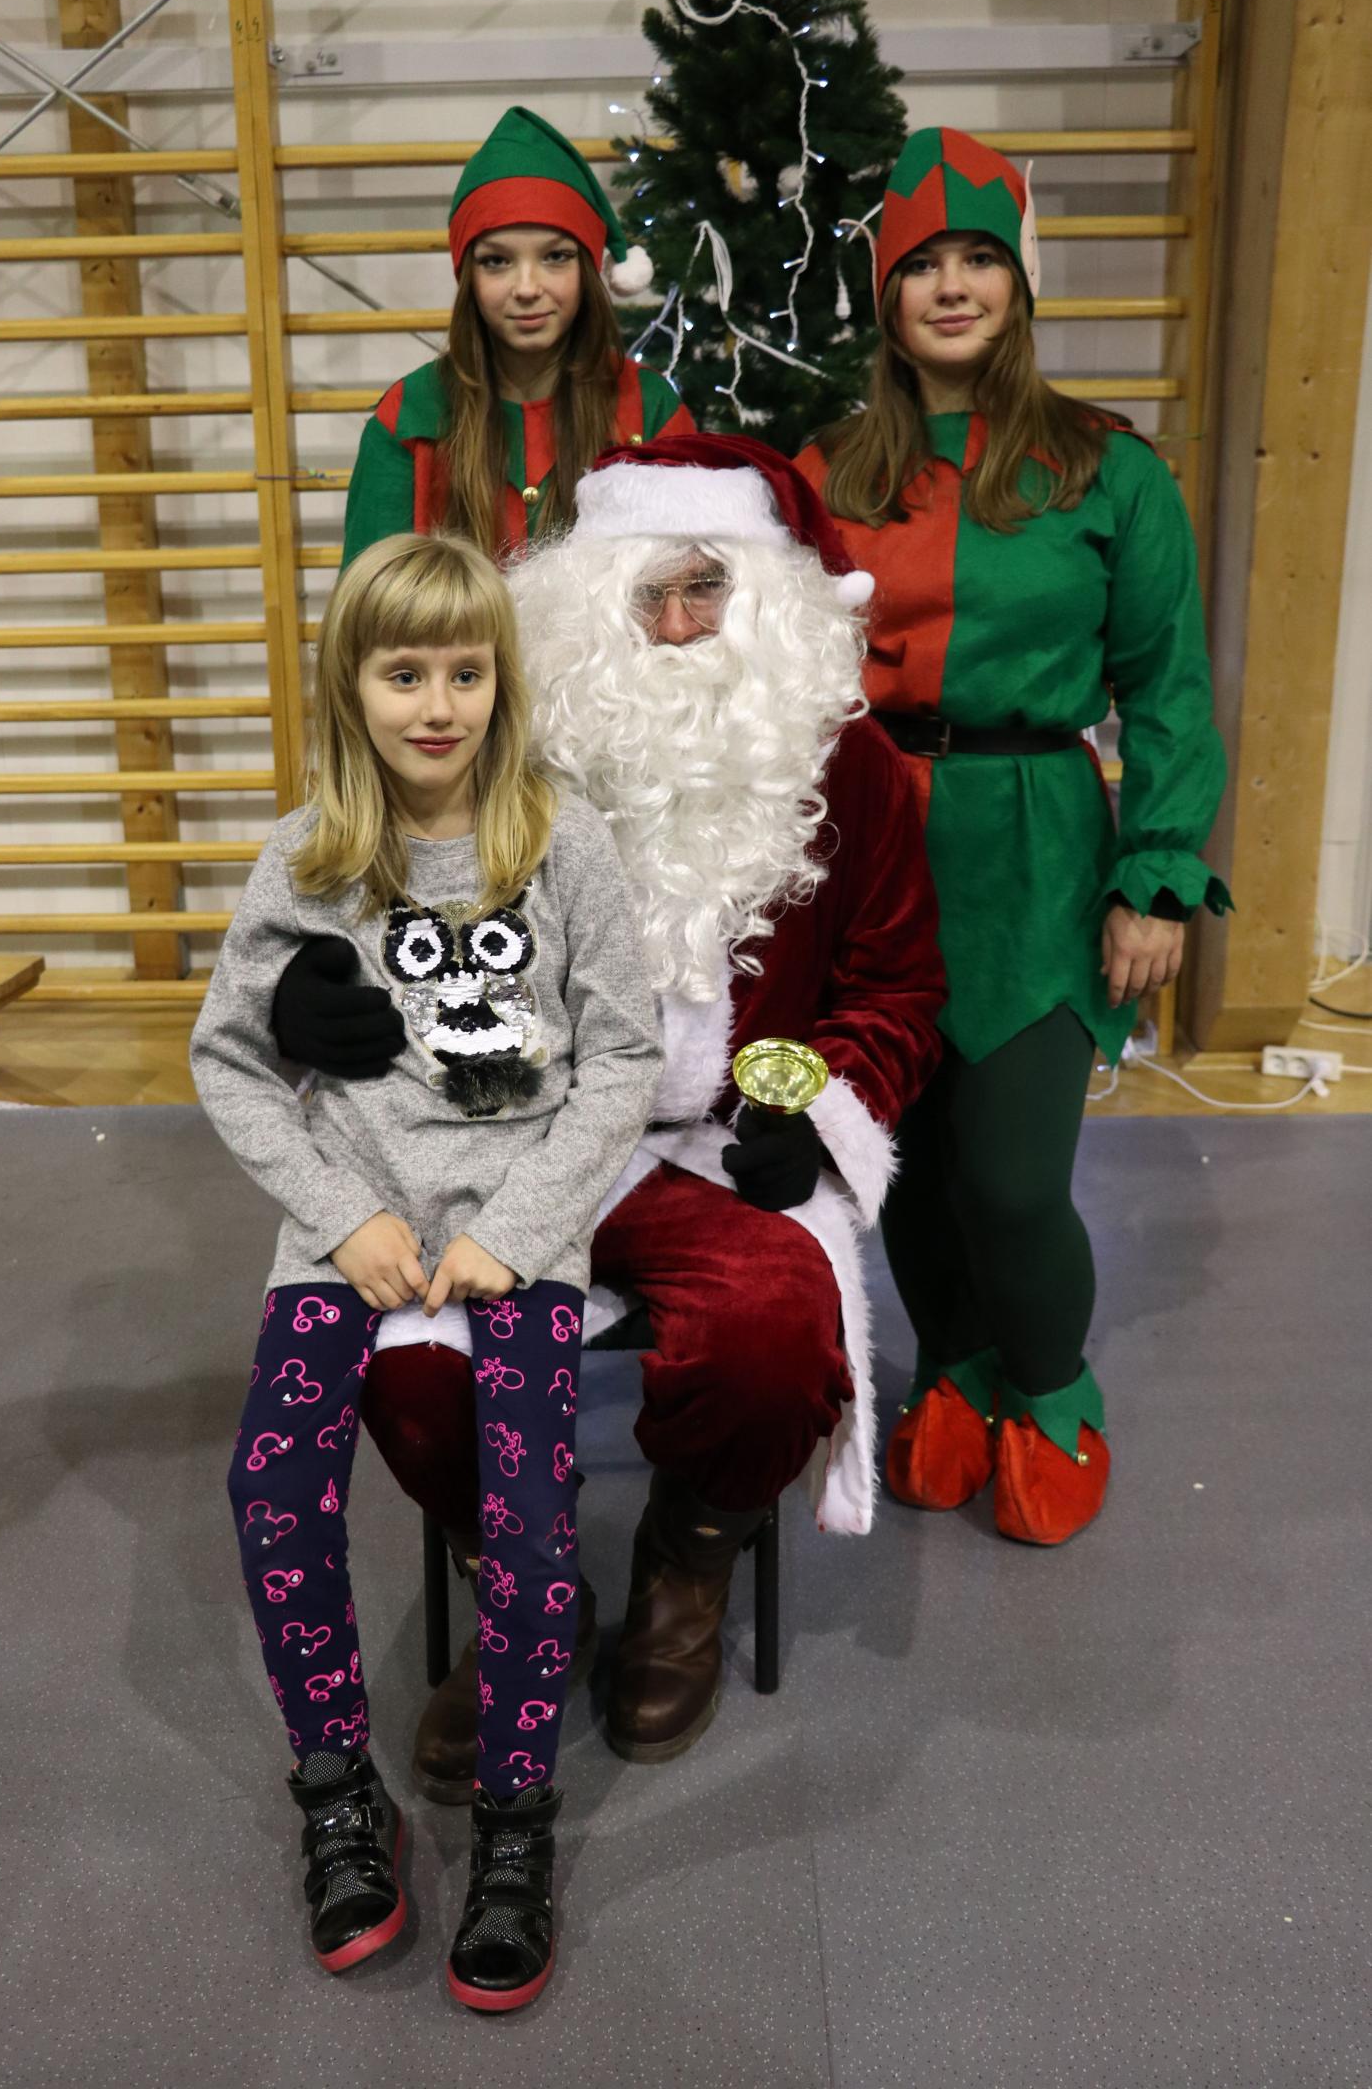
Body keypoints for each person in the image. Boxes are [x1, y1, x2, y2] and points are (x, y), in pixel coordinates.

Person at [271, 435, 945, 1793]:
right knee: (407, 1362)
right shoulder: (501, 756)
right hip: (502, 1134)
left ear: (768, 601)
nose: (680, 626)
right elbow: (371, 915)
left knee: (769, 1334)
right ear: (594, 606)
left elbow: (895, 987)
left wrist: (814, 1109)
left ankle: (686, 1565)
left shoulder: (852, 768)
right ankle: (523, 1579)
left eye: (708, 589)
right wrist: (310, 1000)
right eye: (650, 595)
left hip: (715, 1154)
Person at [190, 533, 661, 2008]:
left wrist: (514, 1232)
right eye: (404, 673)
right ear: (354, 685)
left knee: (528, 1526)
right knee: (271, 1490)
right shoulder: (306, 858)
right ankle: (340, 1795)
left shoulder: (562, 843)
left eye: (465, 671)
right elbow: (230, 1063)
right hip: (351, 1236)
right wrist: (343, 1217)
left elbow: (622, 1059)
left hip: (515, 1233)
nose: (437, 704)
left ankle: (514, 1824)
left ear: (500, 682)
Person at [794, 125, 1231, 1546]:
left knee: (1011, 1176)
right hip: (870, 847)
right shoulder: (824, 472)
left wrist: (1155, 873)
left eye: (980, 258)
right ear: (884, 293)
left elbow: (1165, 688)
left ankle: (1049, 1387)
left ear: (1019, 284)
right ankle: (960, 1370)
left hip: (1036, 846)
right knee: (905, 1168)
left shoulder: (1108, 469)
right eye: (922, 263)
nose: (953, 286)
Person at [340, 105, 694, 568]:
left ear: (589, 269)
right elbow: (370, 601)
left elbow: (685, 586)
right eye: (497, 261)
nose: (527, 288)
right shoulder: (409, 416)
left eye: (556, 257)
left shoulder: (649, 407)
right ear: (468, 276)